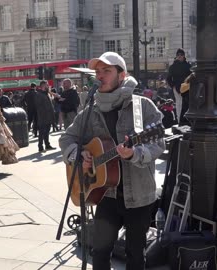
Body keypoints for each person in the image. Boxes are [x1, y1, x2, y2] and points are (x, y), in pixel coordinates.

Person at [59, 52, 165, 269]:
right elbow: (67, 138)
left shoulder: (141, 106)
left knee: (135, 255)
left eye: (107, 71)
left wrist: (135, 153)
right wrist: (78, 154)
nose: (100, 76)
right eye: (98, 71)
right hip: (105, 194)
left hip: (139, 196)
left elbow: (157, 144)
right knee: (99, 252)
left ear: (122, 74)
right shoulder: (91, 111)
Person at [166, 48, 192, 124]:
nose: (180, 56)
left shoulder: (188, 66)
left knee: (187, 104)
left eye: (181, 55)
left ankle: (186, 121)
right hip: (177, 88)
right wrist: (173, 86)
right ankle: (180, 121)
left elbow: (191, 76)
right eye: (178, 55)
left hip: (187, 87)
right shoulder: (173, 67)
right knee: (179, 104)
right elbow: (169, 78)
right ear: (176, 56)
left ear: (184, 56)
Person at [34, 80, 56, 152]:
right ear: (43, 86)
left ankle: (47, 145)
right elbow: (39, 106)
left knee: (47, 132)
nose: (48, 86)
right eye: (47, 85)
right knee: (42, 132)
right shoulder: (39, 94)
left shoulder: (46, 94)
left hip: (48, 116)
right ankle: (40, 146)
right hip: (43, 117)